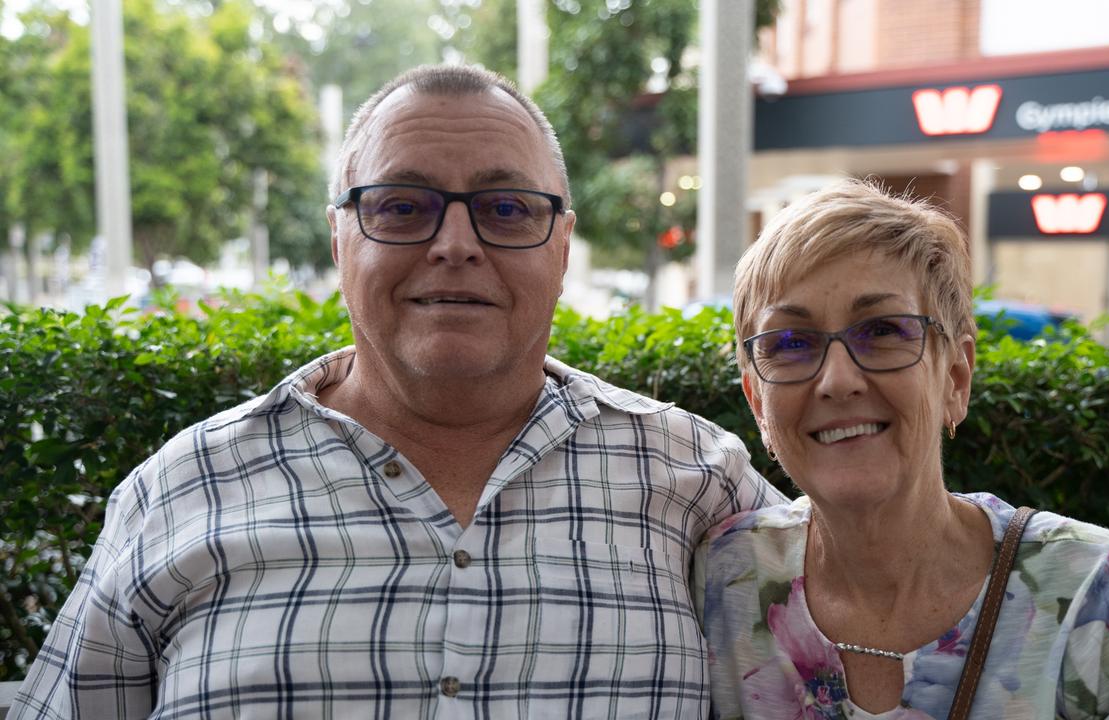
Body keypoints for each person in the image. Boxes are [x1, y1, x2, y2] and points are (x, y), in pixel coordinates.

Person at [12, 64, 784, 719]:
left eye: (507, 209)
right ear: (339, 237)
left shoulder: (699, 482)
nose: (455, 245)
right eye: (401, 207)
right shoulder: (181, 490)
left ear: (563, 243)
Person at [694, 179, 1109, 719]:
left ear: (955, 378)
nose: (837, 380)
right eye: (792, 343)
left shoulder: (1096, 589)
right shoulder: (721, 582)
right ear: (757, 401)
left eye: (883, 330)